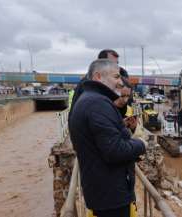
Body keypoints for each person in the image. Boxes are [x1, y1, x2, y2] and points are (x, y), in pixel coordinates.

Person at [69, 59, 146, 217]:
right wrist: (141, 143)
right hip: (111, 197)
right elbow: (115, 151)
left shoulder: (89, 100)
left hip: (103, 193)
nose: (120, 82)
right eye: (116, 77)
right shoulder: (98, 104)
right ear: (98, 77)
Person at [68, 49, 120, 119]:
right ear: (101, 62)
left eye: (117, 63)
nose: (116, 67)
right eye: (112, 63)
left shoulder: (98, 84)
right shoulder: (87, 84)